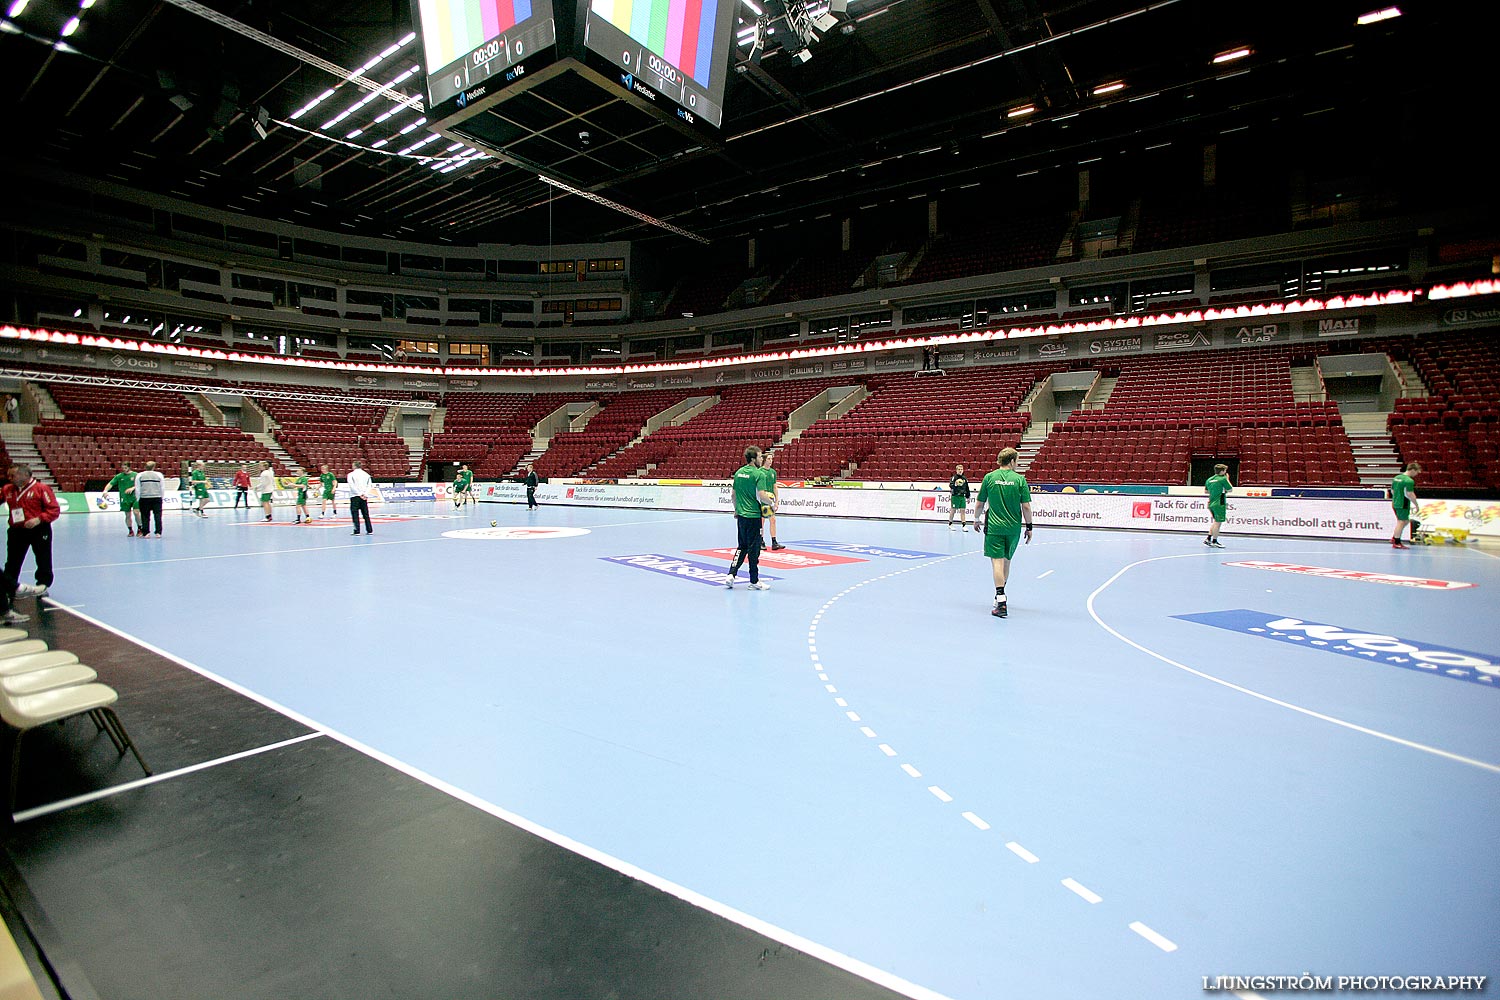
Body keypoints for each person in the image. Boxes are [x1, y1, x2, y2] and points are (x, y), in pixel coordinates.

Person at [973, 447, 1033, 619]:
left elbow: (979, 503)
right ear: (1012, 461)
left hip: (994, 527)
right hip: (1013, 528)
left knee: (997, 563)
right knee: (1006, 561)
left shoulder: (989, 477)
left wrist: (976, 519)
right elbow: (1026, 507)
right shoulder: (1020, 480)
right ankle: (1000, 596)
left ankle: (1001, 600)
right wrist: (1029, 527)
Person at [0, 464, 61, 624]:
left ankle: (43, 585)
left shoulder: (41, 489)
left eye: (13, 475)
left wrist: (39, 519)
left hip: (38, 529)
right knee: (12, 560)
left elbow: (54, 510)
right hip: (16, 530)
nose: (10, 478)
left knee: (43, 558)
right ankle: (10, 588)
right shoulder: (7, 489)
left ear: (24, 475)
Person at [724, 446, 774, 591]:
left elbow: (733, 495)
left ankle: (731, 574)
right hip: (753, 517)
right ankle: (754, 580)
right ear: (753, 459)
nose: (761, 459)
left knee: (741, 547)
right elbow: (763, 496)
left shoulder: (739, 473)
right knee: (754, 549)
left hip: (741, 516)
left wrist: (736, 510)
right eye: (759, 457)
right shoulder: (759, 474)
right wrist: (773, 503)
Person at [103, 461, 142, 536]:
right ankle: (130, 530)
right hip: (124, 498)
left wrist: (132, 488)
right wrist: (105, 491)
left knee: (136, 512)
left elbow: (140, 484)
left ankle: (140, 528)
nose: (124, 469)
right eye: (123, 468)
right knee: (127, 515)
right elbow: (110, 484)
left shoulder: (136, 475)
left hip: (135, 497)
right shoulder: (119, 476)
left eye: (125, 468)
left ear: (129, 467)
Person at [1391, 461, 1421, 549]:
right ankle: (1396, 541)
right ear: (1412, 470)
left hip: (1395, 502)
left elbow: (1392, 490)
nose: (1416, 474)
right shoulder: (1409, 481)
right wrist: (1416, 505)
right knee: (1401, 522)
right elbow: (1410, 494)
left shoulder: (1396, 478)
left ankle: (1395, 537)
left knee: (1405, 521)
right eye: (1416, 472)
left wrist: (1396, 498)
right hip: (1403, 503)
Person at [1204, 463, 1233, 548]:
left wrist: (1216, 491)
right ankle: (1214, 541)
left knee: (1216, 521)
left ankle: (1208, 538)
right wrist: (1227, 479)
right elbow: (1230, 489)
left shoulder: (1209, 479)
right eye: (1225, 471)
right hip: (1219, 503)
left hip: (1211, 503)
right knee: (1218, 522)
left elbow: (1206, 492)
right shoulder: (1223, 479)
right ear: (1222, 471)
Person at [760, 450, 785, 550]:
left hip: (770, 500)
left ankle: (774, 542)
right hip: (762, 499)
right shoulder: (760, 472)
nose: (771, 461)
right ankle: (761, 541)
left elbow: (775, 487)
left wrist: (777, 500)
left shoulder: (773, 472)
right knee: (761, 521)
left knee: (773, 520)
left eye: (772, 459)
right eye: (769, 459)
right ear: (764, 460)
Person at [135, 461, 165, 537]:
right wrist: (161, 497)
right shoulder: (159, 475)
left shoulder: (140, 475)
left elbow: (137, 488)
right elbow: (162, 487)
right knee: (158, 516)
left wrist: (138, 498)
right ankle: (158, 532)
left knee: (145, 516)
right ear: (154, 467)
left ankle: (146, 533)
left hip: (144, 498)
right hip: (157, 497)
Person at [348, 460, 374, 535]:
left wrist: (359, 494)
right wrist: (365, 494)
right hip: (364, 497)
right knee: (366, 514)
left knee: (355, 513)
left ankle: (357, 530)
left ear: (354, 466)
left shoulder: (351, 475)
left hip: (355, 496)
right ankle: (369, 530)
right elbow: (369, 485)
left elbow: (352, 486)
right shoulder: (366, 475)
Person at [948, 464, 971, 531]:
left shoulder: (964, 478)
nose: (960, 471)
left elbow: (967, 488)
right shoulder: (954, 477)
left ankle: (964, 525)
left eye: (961, 469)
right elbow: (951, 485)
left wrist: (968, 496)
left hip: (962, 496)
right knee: (953, 510)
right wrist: (955, 484)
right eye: (959, 469)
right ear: (956, 470)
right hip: (955, 496)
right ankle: (950, 523)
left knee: (963, 510)